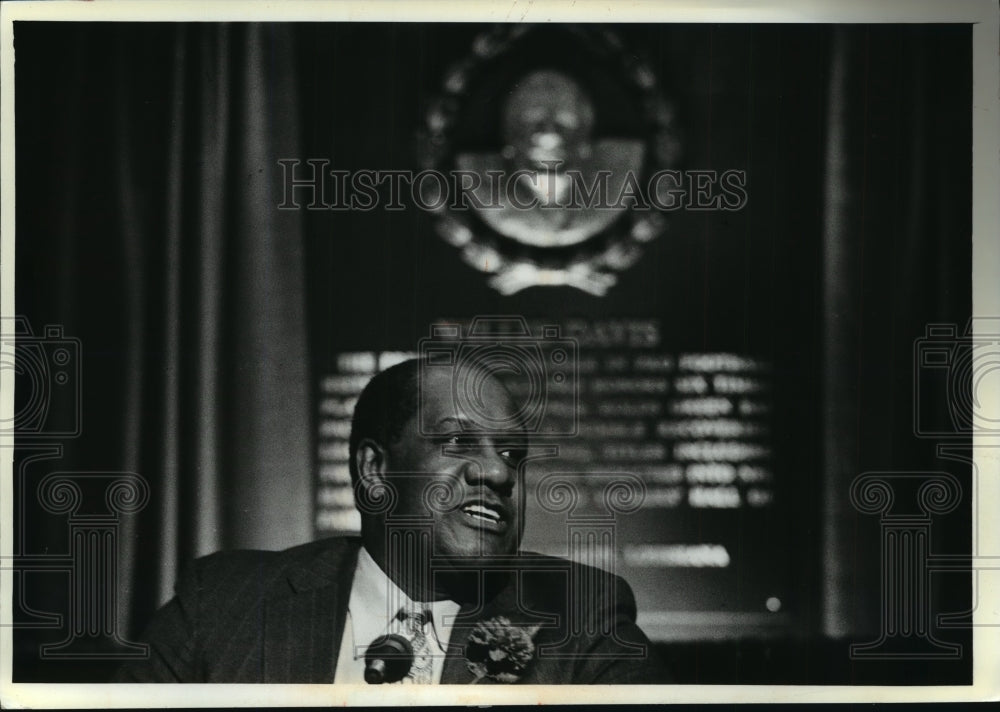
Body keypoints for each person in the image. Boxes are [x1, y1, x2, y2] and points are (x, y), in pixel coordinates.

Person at [114, 358, 664, 683]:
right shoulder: (225, 602)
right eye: (458, 441)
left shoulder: (582, 614)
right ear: (375, 471)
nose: (498, 471)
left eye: (512, 454)